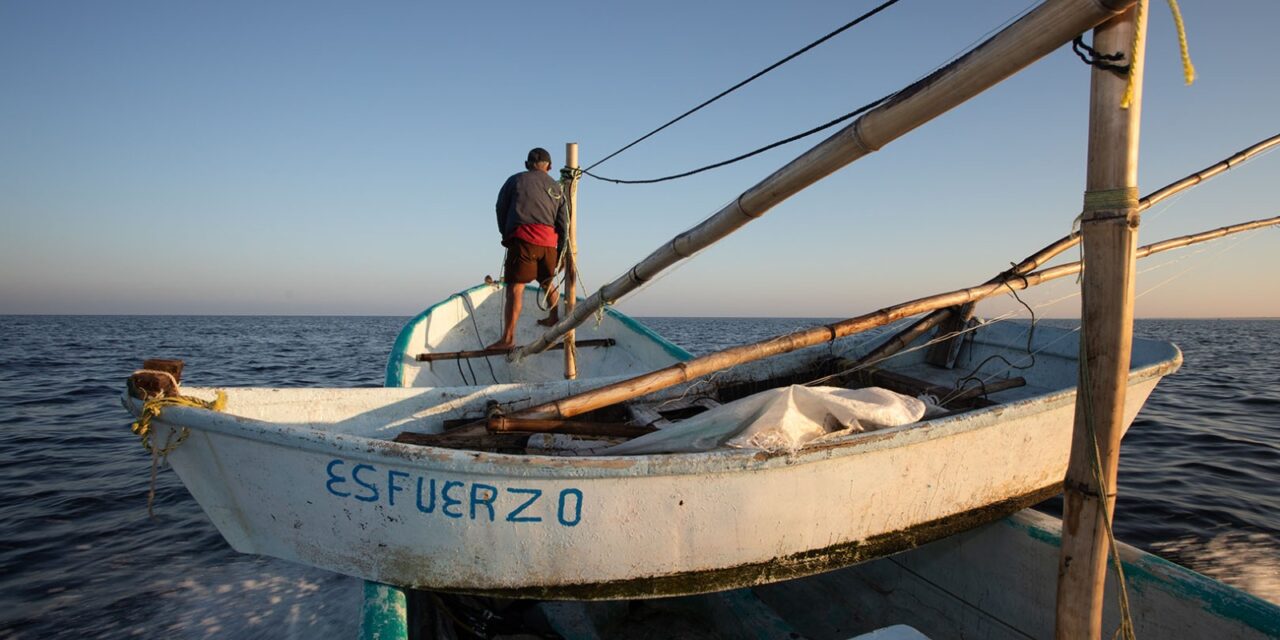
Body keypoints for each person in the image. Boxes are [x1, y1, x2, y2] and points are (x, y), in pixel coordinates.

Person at [486, 147, 568, 350]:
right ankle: (553, 317)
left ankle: (508, 339)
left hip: (523, 241)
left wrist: (505, 234)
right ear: (550, 166)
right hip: (550, 244)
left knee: (515, 287)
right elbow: (564, 221)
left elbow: (500, 208)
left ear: (526, 165)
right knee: (547, 282)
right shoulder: (557, 188)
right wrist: (562, 250)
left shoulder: (515, 180)